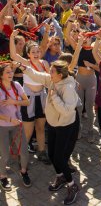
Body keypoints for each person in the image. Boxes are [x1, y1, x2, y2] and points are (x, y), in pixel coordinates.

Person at [17, 60, 81, 205]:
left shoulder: (69, 87)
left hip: (64, 126)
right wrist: (22, 67)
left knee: (60, 158)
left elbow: (66, 111)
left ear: (60, 74)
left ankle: (72, 185)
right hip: (52, 124)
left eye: (51, 71)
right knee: (51, 155)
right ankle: (60, 176)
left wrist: (54, 97)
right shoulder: (52, 79)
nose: (48, 72)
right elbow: (37, 75)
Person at [9, 30, 51, 164]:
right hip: (28, 99)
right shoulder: (26, 63)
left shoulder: (45, 63)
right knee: (28, 130)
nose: (36, 54)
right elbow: (13, 55)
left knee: (40, 126)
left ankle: (42, 151)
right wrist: (11, 37)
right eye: (33, 52)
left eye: (38, 51)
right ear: (28, 54)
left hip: (42, 97)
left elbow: (50, 79)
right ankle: (21, 154)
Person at [0, 62, 31, 191]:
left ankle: (23, 171)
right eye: (7, 72)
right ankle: (2, 175)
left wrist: (14, 101)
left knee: (24, 151)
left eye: (11, 71)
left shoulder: (17, 85)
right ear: (1, 75)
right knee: (5, 154)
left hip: (17, 124)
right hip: (3, 126)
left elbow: (27, 102)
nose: (11, 74)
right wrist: (9, 119)